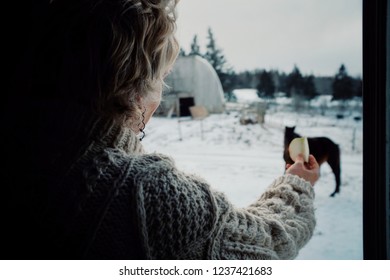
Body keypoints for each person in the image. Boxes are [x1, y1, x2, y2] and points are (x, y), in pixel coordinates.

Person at [3, 0, 320, 260]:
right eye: (161, 79)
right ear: (133, 90)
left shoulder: (25, 154)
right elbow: (269, 243)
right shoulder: (149, 196)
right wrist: (296, 184)